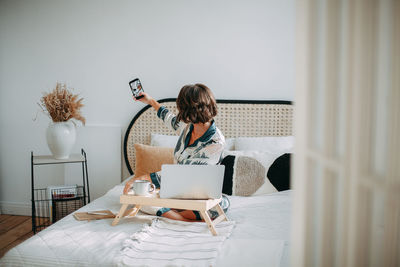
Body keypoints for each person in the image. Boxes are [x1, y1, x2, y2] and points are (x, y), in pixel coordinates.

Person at [123, 83, 229, 221]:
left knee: (222, 203)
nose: (179, 112)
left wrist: (140, 179)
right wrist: (150, 101)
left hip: (197, 194)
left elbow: (185, 173)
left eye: (182, 108)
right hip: (175, 191)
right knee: (142, 198)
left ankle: (173, 215)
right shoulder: (188, 126)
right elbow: (169, 118)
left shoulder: (216, 142)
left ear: (191, 110)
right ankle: (179, 214)